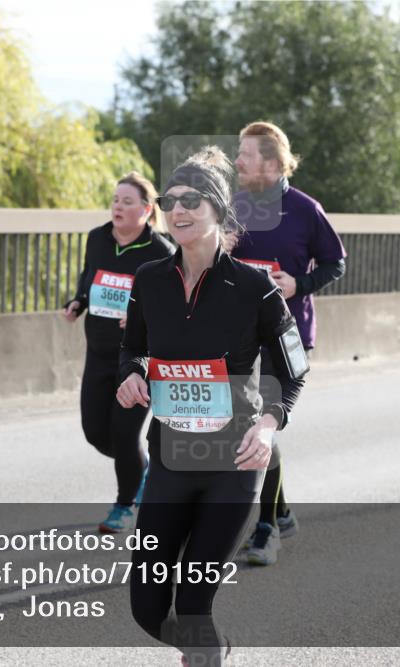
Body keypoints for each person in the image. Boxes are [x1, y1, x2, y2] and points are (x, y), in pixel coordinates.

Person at [117, 147, 308, 666]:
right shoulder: (150, 281)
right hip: (172, 461)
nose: (178, 210)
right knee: (147, 608)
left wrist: (269, 425)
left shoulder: (255, 288)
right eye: (170, 200)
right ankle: (210, 651)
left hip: (233, 463)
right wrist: (132, 374)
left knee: (195, 603)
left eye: (192, 200)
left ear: (219, 211)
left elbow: (292, 369)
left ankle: (206, 655)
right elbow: (131, 348)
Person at [232, 121, 346, 566]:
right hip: (240, 335)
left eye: (246, 154)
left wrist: (299, 284)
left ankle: (266, 529)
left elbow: (335, 262)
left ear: (273, 164)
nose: (237, 161)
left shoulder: (305, 209)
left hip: (286, 335)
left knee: (263, 422)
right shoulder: (234, 207)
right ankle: (280, 513)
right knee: (246, 423)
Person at [63, 172, 175, 533]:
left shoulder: (161, 252)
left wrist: (144, 317)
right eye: (115, 200)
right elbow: (89, 276)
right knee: (96, 433)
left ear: (145, 210)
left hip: (136, 360)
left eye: (127, 202)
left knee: (125, 436)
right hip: (97, 350)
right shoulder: (97, 238)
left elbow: (173, 305)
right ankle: (139, 470)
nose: (118, 207)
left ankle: (124, 505)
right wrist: (78, 301)